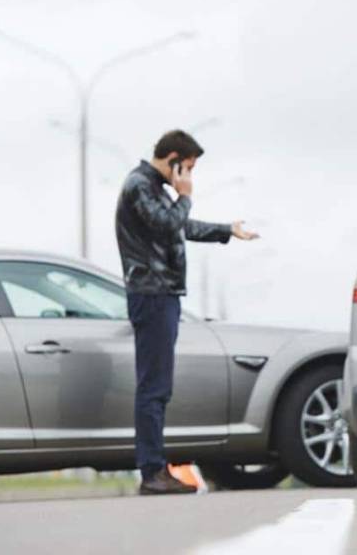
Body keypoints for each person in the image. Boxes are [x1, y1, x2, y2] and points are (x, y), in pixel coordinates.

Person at [115, 129, 259, 495]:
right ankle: (151, 472)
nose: (190, 176)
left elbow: (180, 227)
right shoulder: (139, 185)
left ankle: (155, 468)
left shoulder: (153, 189)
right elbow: (168, 223)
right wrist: (185, 196)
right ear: (174, 158)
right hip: (151, 294)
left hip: (162, 294)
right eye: (188, 168)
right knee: (154, 387)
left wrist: (227, 230)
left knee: (159, 387)